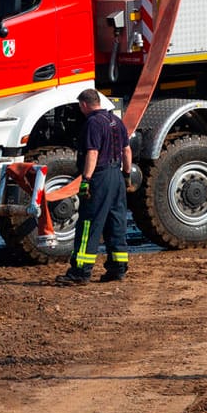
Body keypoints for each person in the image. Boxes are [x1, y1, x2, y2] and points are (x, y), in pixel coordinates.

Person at [55, 89, 132, 285]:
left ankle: (80, 272)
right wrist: (127, 175)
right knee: (116, 222)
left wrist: (86, 179)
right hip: (117, 176)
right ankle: (118, 268)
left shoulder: (92, 123)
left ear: (84, 105)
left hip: (100, 177)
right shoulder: (115, 121)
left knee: (89, 223)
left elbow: (92, 153)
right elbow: (126, 150)